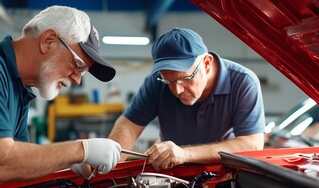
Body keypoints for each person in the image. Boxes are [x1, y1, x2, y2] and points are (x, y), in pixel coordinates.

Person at [0, 6, 121, 188]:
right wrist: (80, 150)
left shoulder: (19, 89)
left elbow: (18, 169)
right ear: (48, 41)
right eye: (78, 65)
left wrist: (67, 163)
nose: (77, 80)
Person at [108, 27, 265, 170]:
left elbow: (251, 144)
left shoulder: (243, 82)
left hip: (221, 174)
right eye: (169, 81)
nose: (177, 90)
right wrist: (106, 164)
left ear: (207, 63)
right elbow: (128, 126)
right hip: (171, 173)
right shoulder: (156, 82)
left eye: (185, 78)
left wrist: (185, 154)